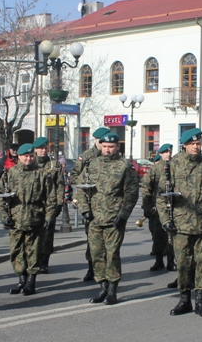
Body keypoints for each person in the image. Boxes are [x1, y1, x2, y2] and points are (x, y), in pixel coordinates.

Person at [160, 129, 202, 317]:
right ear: (184, 145)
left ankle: (201, 301)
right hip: (180, 224)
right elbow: (161, 196)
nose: (196, 147)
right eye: (192, 144)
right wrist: (165, 220)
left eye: (198, 144)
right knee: (183, 263)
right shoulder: (173, 165)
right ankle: (184, 299)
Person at [78, 132, 139, 305]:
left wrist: (123, 215)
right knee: (96, 254)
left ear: (117, 147)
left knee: (112, 254)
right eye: (104, 146)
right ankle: (102, 286)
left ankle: (112, 289)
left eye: (110, 147)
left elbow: (131, 193)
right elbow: (81, 189)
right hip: (94, 219)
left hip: (114, 218)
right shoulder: (92, 164)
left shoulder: (124, 166)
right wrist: (84, 210)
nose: (107, 150)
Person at [0, 142, 58, 297]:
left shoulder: (42, 174)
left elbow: (51, 198)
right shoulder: (10, 174)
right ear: (19, 157)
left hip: (35, 216)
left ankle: (31, 281)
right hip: (16, 218)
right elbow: (1, 198)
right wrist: (5, 217)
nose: (29, 159)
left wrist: (49, 217)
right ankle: (21, 278)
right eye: (25, 156)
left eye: (31, 156)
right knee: (17, 251)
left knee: (33, 251)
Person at [70, 127, 110, 282]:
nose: (105, 145)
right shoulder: (86, 157)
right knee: (92, 239)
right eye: (102, 142)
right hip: (90, 203)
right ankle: (91, 267)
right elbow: (74, 176)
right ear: (96, 141)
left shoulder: (113, 156)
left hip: (108, 204)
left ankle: (106, 269)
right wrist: (85, 182)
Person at [31, 136, 63, 274]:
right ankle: (34, 261)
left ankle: (45, 261)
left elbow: (60, 184)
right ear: (35, 150)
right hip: (33, 205)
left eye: (44, 148)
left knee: (48, 234)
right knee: (33, 234)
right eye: (40, 149)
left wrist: (59, 203)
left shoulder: (54, 165)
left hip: (49, 205)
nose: (42, 151)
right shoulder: (30, 163)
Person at [141, 144, 174, 271]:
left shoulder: (175, 167)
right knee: (157, 235)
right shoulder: (154, 169)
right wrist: (146, 207)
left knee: (171, 236)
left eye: (170, 152)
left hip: (173, 207)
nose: (168, 155)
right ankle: (159, 260)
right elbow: (146, 189)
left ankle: (171, 261)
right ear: (160, 154)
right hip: (157, 208)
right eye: (166, 152)